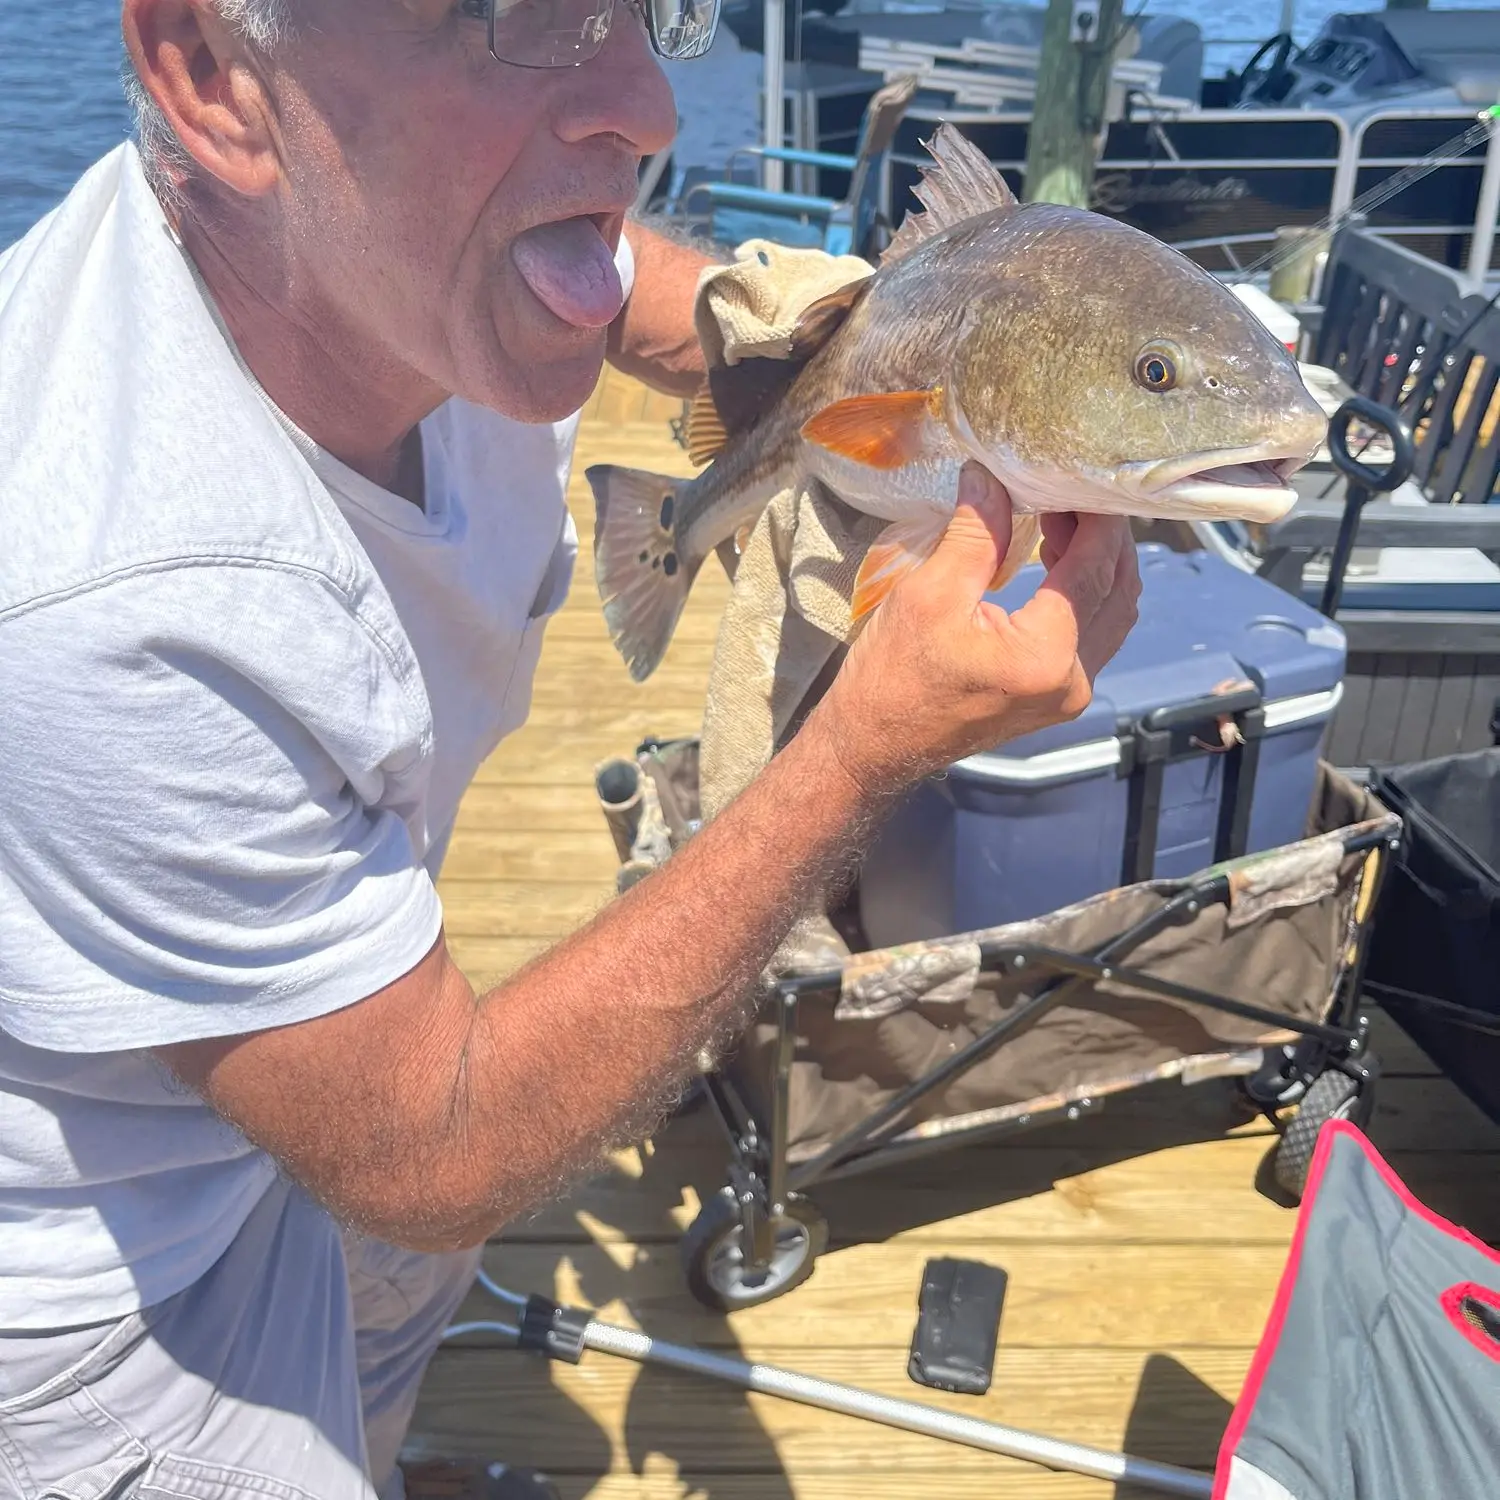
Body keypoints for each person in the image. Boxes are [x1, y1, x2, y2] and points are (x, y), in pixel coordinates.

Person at [0, 1, 1141, 1497]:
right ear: (217, 81)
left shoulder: (393, 250)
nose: (649, 105)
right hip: (125, 1291)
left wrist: (769, 347)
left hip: (346, 1018)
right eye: (508, 20)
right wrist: (861, 750)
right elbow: (439, 1145)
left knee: (393, 1329)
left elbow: (613, 281)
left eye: (645, 9)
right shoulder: (112, 591)